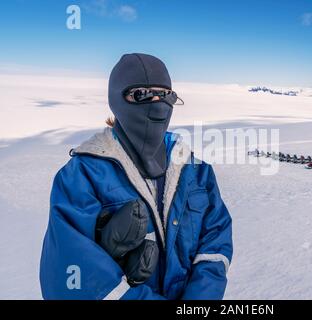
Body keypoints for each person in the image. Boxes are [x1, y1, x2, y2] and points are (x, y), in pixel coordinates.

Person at [39, 53, 233, 300]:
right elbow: (70, 274)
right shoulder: (81, 177)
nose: (157, 102)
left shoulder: (197, 171)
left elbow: (216, 243)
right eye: (142, 94)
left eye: (166, 95)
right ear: (117, 100)